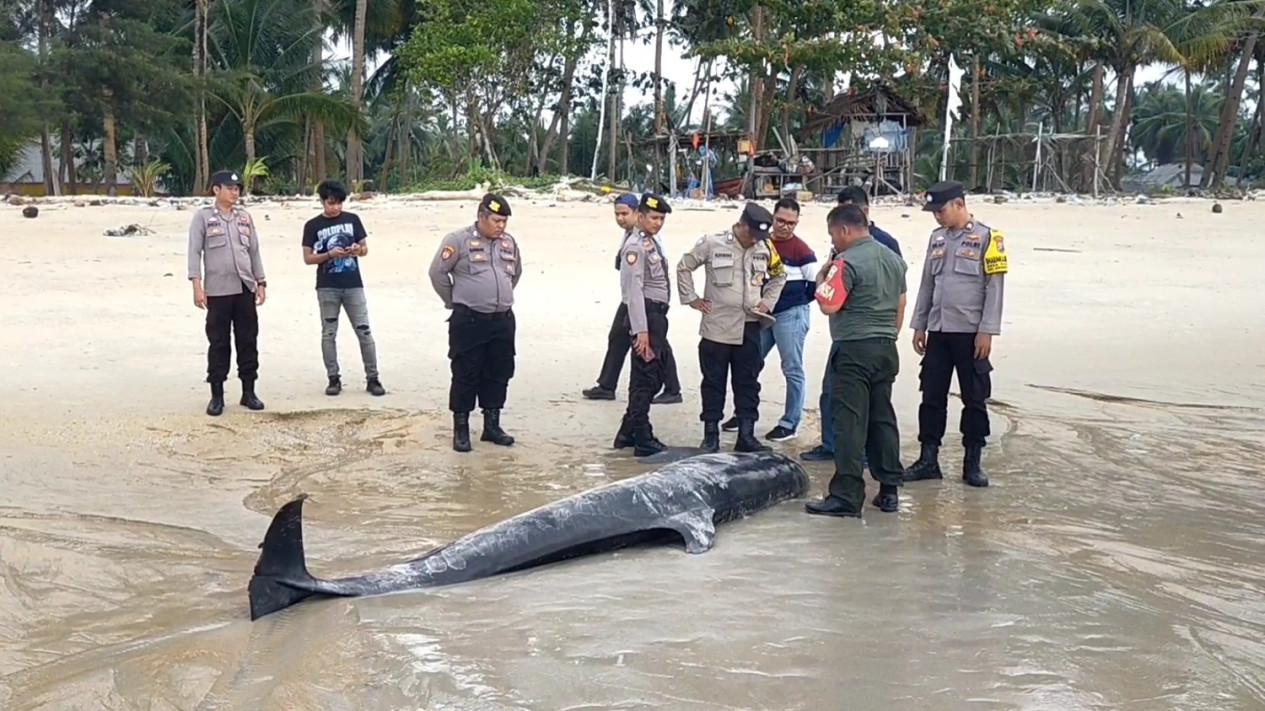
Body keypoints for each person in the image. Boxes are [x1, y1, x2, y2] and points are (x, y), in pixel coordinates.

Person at [804, 204, 908, 518]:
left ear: (845, 230)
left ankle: (847, 496)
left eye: (833, 235)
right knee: (882, 419)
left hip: (853, 348)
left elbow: (828, 304)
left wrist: (823, 275)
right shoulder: (893, 259)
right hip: (886, 346)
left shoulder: (845, 261)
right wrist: (889, 335)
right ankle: (889, 489)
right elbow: (900, 303)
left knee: (849, 421)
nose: (833, 242)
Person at [903, 180, 1006, 488]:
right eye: (933, 212)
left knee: (974, 399)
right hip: (938, 330)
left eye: (941, 210)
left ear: (960, 204)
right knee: (931, 396)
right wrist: (919, 324)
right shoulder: (936, 239)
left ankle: (972, 462)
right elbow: (926, 285)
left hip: (970, 333)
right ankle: (928, 459)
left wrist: (987, 331)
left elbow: (995, 288)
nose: (937, 217)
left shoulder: (988, 237)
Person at [677, 202, 787, 453]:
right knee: (713, 382)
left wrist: (767, 302)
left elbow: (779, 276)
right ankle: (711, 435)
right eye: (751, 235)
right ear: (741, 225)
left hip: (749, 326)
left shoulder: (764, 246)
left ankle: (746, 435)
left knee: (748, 382)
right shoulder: (712, 243)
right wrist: (692, 298)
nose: (754, 241)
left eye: (759, 236)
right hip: (717, 327)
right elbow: (684, 266)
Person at [428, 193, 523, 452]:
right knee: (465, 373)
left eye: (504, 221)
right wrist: (455, 301)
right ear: (481, 217)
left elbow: (515, 275)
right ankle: (461, 429)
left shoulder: (509, 243)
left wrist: (499, 296)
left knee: (499, 372)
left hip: (502, 320)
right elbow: (437, 273)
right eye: (496, 220)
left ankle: (492, 426)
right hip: (469, 320)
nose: (501, 226)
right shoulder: (458, 240)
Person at [718, 198, 816, 442]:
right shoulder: (759, 242)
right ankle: (744, 413)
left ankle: (790, 422)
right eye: (781, 221)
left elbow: (815, 285)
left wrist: (794, 304)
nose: (785, 227)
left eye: (791, 223)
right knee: (748, 363)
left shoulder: (802, 250)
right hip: (761, 315)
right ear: (773, 217)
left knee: (792, 367)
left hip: (790, 313)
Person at [583, 192, 682, 404]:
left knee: (656, 344)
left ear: (637, 214)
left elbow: (647, 277)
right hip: (634, 299)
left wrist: (641, 326)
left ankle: (672, 388)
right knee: (618, 338)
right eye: (616, 214)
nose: (620, 218)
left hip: (642, 300)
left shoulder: (641, 239)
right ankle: (607, 384)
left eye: (624, 214)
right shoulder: (632, 235)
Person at [187, 169, 267, 417]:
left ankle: (249, 392)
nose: (235, 192)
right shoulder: (203, 218)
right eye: (230, 188)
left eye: (237, 189)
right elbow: (194, 252)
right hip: (218, 290)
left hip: (244, 287)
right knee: (219, 342)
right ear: (216, 190)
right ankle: (217, 395)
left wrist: (261, 282)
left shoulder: (244, 217)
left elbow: (254, 251)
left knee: (247, 340)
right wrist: (196, 285)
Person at [301, 179, 386, 397]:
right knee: (329, 333)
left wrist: (358, 249)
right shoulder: (312, 226)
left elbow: (365, 247)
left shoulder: (353, 219)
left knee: (364, 331)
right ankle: (333, 377)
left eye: (339, 203)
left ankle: (373, 377)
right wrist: (329, 255)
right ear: (322, 202)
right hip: (327, 286)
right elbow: (308, 258)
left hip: (353, 285)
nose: (335, 208)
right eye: (331, 203)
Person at [612, 193, 676, 456]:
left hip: (657, 315)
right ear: (639, 216)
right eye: (653, 218)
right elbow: (633, 291)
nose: (658, 223)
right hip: (645, 316)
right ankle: (641, 435)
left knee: (656, 375)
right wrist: (641, 331)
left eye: (661, 218)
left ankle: (627, 432)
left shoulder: (650, 242)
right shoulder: (635, 247)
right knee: (645, 378)